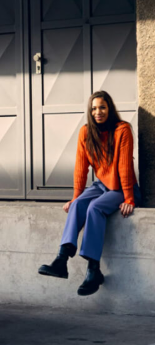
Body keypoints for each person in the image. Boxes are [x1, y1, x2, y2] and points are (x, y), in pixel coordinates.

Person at [38, 90, 142, 296]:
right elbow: (80, 168)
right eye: (94, 108)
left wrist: (129, 197)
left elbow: (124, 167)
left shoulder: (123, 130)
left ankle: (93, 271)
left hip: (122, 186)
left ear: (109, 108)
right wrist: (76, 197)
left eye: (102, 107)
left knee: (95, 208)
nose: (98, 112)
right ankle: (61, 259)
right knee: (78, 205)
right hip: (101, 185)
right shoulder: (86, 132)